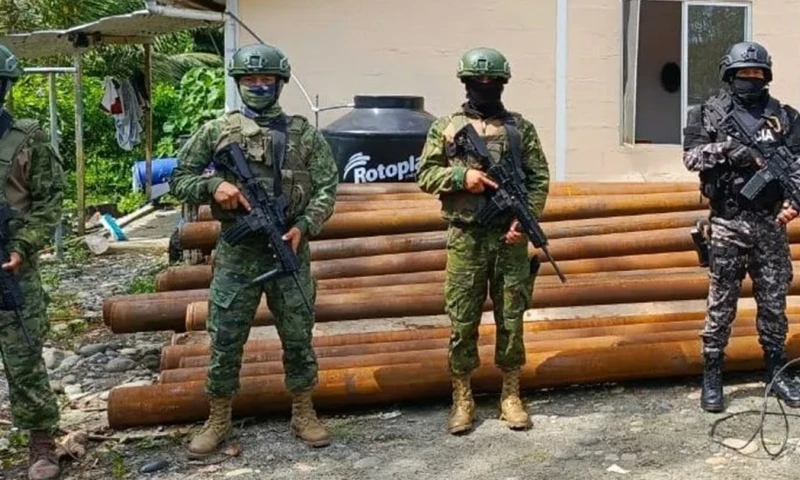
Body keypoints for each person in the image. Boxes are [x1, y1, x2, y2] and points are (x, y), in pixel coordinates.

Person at [170, 43, 339, 456]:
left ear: (280, 83)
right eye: (250, 79)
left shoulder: (303, 133)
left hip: (289, 248)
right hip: (238, 254)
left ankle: (303, 410)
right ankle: (219, 418)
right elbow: (178, 179)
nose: (258, 86)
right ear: (238, 82)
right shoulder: (216, 131)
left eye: (266, 79)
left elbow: (327, 189)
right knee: (226, 338)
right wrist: (214, 185)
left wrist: (304, 226)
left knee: (297, 336)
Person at [416, 47, 550, 434]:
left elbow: (539, 179)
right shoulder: (446, 127)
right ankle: (462, 397)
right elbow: (425, 175)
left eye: (493, 81)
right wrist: (463, 178)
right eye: (478, 81)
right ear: (466, 83)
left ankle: (510, 394)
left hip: (509, 240)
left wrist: (524, 220)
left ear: (503, 84)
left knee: (512, 317)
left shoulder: (520, 129)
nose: (485, 86)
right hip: (466, 238)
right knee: (462, 319)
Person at [682, 41, 800, 412]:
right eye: (744, 73)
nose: (751, 78)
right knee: (721, 303)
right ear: (729, 75)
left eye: (757, 73)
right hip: (728, 223)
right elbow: (691, 157)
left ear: (767, 76)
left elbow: (798, 165)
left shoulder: (785, 117)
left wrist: (794, 203)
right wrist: (728, 150)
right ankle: (712, 373)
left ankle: (777, 371)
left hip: (770, 224)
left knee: (773, 303)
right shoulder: (706, 114)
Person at [0, 43, 65, 479]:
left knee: (23, 358)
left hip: (12, 267)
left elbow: (49, 202)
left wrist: (22, 245)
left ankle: (42, 443)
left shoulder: (28, 139)